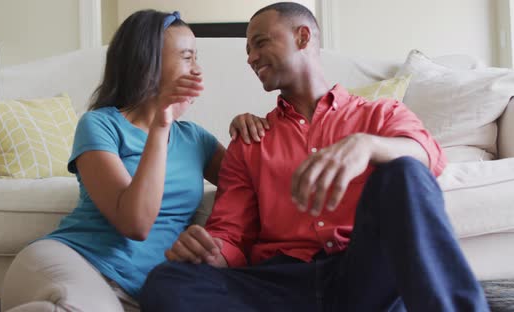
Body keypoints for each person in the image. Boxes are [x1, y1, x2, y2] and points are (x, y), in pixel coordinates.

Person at [140, 2, 490, 312]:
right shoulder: (250, 142)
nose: (250, 58)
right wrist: (209, 250)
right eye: (248, 50)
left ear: (303, 37)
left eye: (260, 43)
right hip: (279, 284)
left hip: (363, 274)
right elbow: (232, 234)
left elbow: (428, 157)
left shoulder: (379, 116)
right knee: (167, 282)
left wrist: (367, 145)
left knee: (403, 171)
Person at [0, 10, 268, 312]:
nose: (198, 71)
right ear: (148, 64)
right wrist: (160, 125)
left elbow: (259, 187)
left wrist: (251, 130)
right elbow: (135, 223)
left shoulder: (195, 139)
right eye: (187, 57)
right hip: (75, 261)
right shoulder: (100, 125)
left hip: (141, 292)